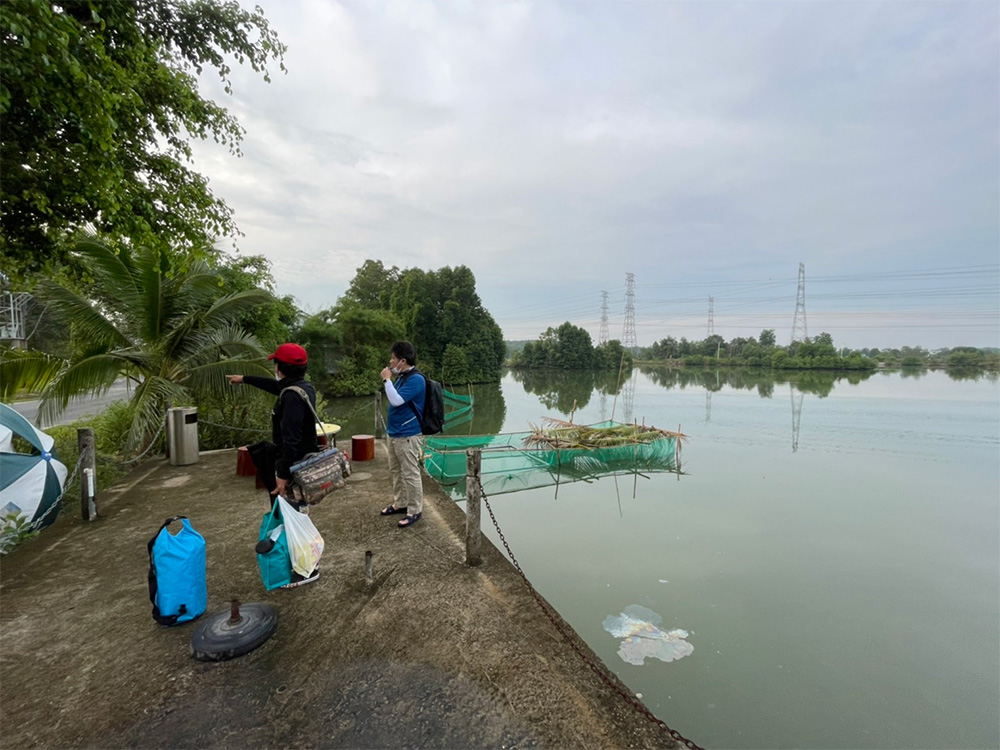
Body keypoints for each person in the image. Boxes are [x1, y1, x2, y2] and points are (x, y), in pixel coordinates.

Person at [227, 342, 320, 587]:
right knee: (296, 515)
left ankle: (308, 569)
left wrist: (281, 474)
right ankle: (301, 562)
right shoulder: (301, 387)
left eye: (275, 362)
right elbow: (275, 386)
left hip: (293, 465)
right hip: (301, 462)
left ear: (281, 367)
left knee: (294, 517)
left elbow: (291, 439)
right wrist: (245, 378)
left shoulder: (290, 398)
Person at [379, 340, 426, 528]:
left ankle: (415, 510)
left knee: (410, 473)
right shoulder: (402, 377)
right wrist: (390, 380)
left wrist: (386, 380)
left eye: (393, 358)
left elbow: (396, 400)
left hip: (407, 435)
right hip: (394, 433)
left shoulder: (416, 379)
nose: (390, 362)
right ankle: (400, 503)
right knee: (395, 471)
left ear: (402, 360)